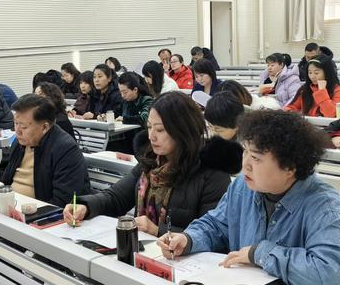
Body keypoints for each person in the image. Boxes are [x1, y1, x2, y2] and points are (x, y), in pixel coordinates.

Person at [158, 110, 340, 285]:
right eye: (245, 151)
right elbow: (216, 225)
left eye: (256, 158)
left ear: (290, 167)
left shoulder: (325, 208)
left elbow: (329, 278)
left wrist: (260, 253)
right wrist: (188, 239)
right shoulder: (242, 187)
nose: (245, 165)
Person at [63, 92, 240, 237]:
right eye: (149, 127)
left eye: (160, 130)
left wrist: (157, 230)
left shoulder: (212, 172)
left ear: (183, 130)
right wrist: (85, 206)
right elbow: (116, 197)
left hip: (187, 268)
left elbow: (215, 235)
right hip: (147, 254)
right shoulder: (152, 161)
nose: (151, 136)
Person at [1, 94, 90, 206]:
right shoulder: (20, 143)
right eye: (15, 123)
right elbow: (6, 181)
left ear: (44, 127)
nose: (17, 131)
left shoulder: (65, 149)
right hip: (11, 206)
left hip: (38, 214)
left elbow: (64, 201)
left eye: (23, 127)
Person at [202, 91, 244, 172]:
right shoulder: (208, 137)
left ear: (237, 125)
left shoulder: (250, 146)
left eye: (219, 130)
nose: (214, 134)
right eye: (210, 127)